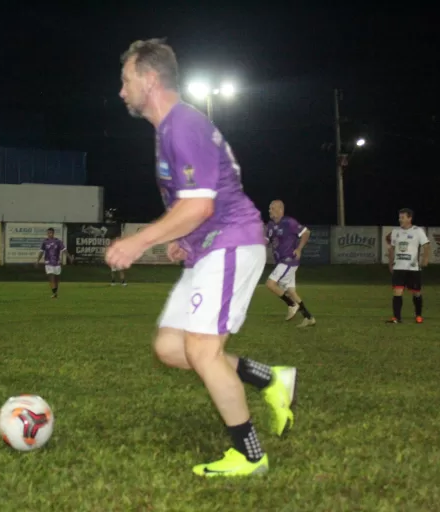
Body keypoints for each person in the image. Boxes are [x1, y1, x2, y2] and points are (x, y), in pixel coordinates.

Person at [107, 38, 297, 478]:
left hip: (231, 243)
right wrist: (184, 239)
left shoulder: (182, 126)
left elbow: (200, 206)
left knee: (203, 350)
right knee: (172, 348)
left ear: (150, 79)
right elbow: (202, 200)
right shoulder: (171, 130)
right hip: (209, 247)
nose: (121, 90)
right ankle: (272, 380)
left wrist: (140, 241)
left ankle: (250, 455)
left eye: (126, 79)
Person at [265, 200, 316, 327]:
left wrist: (299, 249)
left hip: (289, 260)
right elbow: (266, 241)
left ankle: (292, 305)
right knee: (291, 291)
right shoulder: (270, 225)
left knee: (270, 284)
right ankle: (308, 317)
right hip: (281, 261)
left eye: (272, 208)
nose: (269, 210)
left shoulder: (289, 222)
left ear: (280, 209)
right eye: (269, 208)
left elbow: (306, 232)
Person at [386, 208, 430, 323]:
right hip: (398, 267)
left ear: (409, 218)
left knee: (416, 292)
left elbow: (426, 245)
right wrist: (390, 263)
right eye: (399, 217)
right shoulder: (395, 232)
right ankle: (396, 317)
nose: (400, 219)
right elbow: (392, 249)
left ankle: (418, 315)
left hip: (413, 268)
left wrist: (425, 258)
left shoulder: (417, 231)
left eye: (402, 217)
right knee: (397, 292)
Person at [36, 228, 69, 299]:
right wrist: (37, 261)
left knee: (56, 279)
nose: (50, 234)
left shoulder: (58, 241)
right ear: (47, 234)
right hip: (48, 262)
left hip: (56, 263)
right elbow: (41, 252)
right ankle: (54, 293)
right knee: (51, 277)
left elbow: (64, 250)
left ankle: (55, 293)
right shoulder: (45, 242)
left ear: (53, 233)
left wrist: (69, 257)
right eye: (48, 233)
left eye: (51, 233)